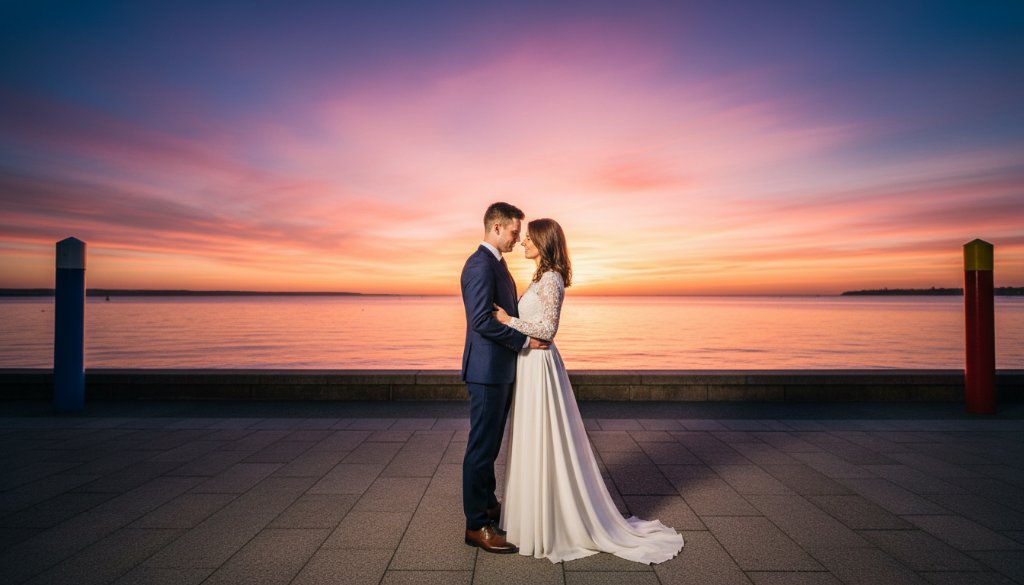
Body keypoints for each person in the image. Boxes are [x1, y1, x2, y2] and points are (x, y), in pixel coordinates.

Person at [492, 218, 684, 564]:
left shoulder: (551, 279)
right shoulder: (539, 277)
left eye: (529, 238)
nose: (523, 243)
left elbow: (548, 330)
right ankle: (532, 517)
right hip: (529, 364)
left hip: (540, 364)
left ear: (543, 242)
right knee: (532, 437)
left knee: (544, 437)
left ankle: (551, 520)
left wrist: (508, 321)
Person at [460, 202, 550, 554]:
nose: (517, 238)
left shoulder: (496, 263)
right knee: (481, 447)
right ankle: (475, 525)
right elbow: (481, 320)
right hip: (486, 372)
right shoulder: (479, 265)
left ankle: (488, 505)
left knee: (490, 445)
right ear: (496, 227)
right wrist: (525, 341)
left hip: (499, 369)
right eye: (514, 232)